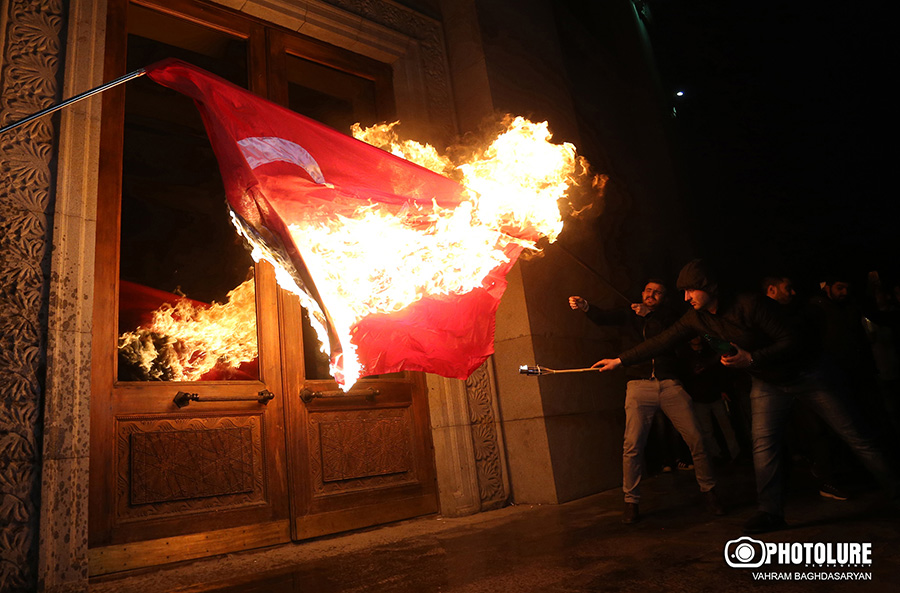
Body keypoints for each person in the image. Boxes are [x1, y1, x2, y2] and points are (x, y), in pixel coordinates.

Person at [592, 259, 899, 534]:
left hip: (808, 375)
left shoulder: (750, 304)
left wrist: (751, 359)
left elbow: (793, 340)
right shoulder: (695, 317)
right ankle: (771, 513)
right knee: (764, 447)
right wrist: (620, 360)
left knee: (858, 437)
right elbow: (661, 341)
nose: (686, 298)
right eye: (682, 292)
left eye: (690, 291)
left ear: (709, 287)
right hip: (768, 384)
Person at [570, 279, 724, 524]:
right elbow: (603, 317)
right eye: (649, 291)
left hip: (669, 383)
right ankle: (631, 501)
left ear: (663, 298)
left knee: (696, 438)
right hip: (638, 384)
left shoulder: (669, 317)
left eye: (658, 293)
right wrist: (586, 305)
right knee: (632, 445)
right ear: (642, 292)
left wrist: (651, 315)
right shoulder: (629, 314)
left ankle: (710, 492)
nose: (652, 294)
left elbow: (669, 337)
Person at [761, 275, 850, 502]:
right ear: (771, 290)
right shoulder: (760, 317)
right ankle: (780, 493)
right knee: (775, 439)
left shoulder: (798, 313)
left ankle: (825, 479)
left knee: (818, 429)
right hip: (774, 384)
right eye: (787, 288)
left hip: (800, 379)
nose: (792, 293)